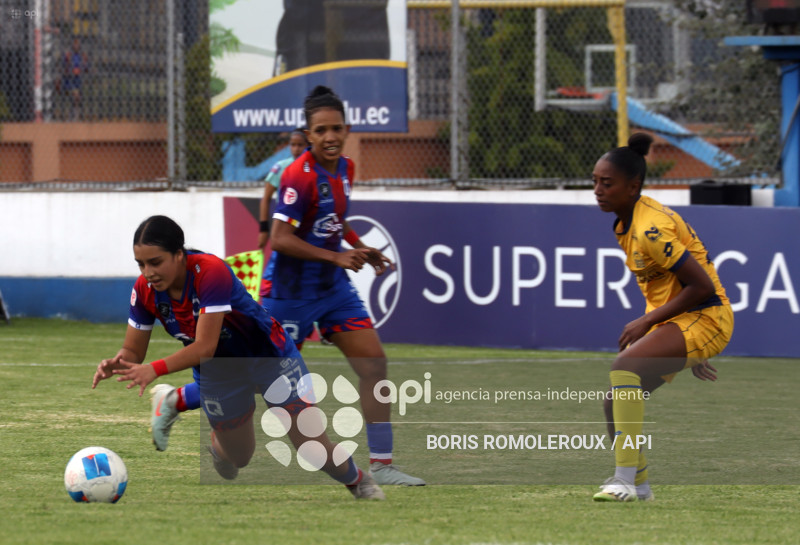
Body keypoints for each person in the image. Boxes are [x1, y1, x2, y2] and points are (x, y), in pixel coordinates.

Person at [151, 87, 424, 487]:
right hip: (288, 295)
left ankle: (382, 464)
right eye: (320, 130)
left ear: (346, 129)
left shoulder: (345, 168)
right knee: (251, 374)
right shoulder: (298, 176)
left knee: (375, 363)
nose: (330, 136)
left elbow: (333, 218)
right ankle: (175, 399)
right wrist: (336, 256)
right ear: (308, 135)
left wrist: (359, 247)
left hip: (334, 290)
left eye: (336, 128)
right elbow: (279, 238)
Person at [91, 215, 384, 499]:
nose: (148, 272)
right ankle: (208, 431)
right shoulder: (144, 290)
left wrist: (154, 369)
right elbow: (133, 351)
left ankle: (359, 482)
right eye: (141, 264)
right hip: (217, 373)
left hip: (269, 357)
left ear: (179, 255)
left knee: (310, 446)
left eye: (155, 262)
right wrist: (120, 360)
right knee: (240, 458)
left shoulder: (209, 272)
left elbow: (205, 345)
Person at [591, 133, 734, 502]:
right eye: (595, 181)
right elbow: (666, 289)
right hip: (686, 323)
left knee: (624, 365)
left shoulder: (650, 229)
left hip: (706, 316)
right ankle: (640, 486)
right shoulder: (625, 224)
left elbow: (702, 287)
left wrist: (648, 326)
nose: (597, 189)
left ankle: (623, 480)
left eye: (607, 183)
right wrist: (680, 346)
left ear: (632, 186)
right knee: (614, 400)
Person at [258, 128, 309, 251]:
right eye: (293, 145)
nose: (296, 149)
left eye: (300, 145)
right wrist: (263, 229)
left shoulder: (314, 168)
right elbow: (266, 198)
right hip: (285, 228)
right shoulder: (281, 168)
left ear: (308, 145)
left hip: (307, 229)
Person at [62, 38, 89, 120]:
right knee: (73, 96)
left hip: (77, 78)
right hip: (69, 78)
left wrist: (80, 69)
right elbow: (64, 66)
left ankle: (74, 115)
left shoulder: (82, 55)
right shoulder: (68, 54)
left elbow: (86, 67)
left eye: (78, 44)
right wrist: (70, 69)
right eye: (75, 44)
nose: (76, 46)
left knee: (76, 97)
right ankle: (71, 115)